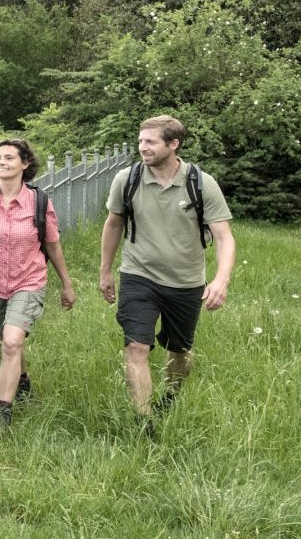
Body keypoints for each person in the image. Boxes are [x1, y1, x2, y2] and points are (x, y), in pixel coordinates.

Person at [99, 115, 235, 426]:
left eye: (150, 142)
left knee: (180, 350)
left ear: (174, 144)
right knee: (136, 346)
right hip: (138, 274)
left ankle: (171, 395)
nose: (142, 147)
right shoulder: (127, 179)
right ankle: (143, 420)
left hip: (185, 281)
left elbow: (224, 237)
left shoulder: (201, 183)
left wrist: (221, 280)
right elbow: (114, 224)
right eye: (140, 141)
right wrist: (105, 272)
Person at [0, 138, 75, 430]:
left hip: (29, 280)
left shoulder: (39, 202)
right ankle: (22, 379)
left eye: (9, 158)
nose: (1, 162)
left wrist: (66, 283)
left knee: (12, 342)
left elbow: (53, 245)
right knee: (9, 340)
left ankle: (2, 412)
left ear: (25, 164)